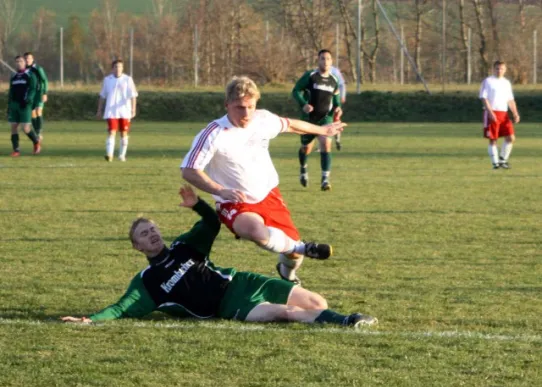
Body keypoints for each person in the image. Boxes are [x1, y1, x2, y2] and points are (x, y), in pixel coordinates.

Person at [61, 185, 377, 329]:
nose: (152, 235)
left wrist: (198, 204)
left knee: (317, 302)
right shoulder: (148, 283)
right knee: (288, 312)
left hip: (243, 281)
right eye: (144, 234)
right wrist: (89, 320)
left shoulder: (186, 246)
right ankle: (350, 321)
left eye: (153, 229)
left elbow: (213, 222)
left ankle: (312, 298)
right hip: (232, 306)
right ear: (136, 247)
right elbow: (119, 309)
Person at [180, 76, 345, 286]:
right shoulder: (213, 134)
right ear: (227, 104)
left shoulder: (262, 119)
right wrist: (220, 191)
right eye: (240, 107)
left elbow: (291, 125)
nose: (246, 113)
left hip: (269, 195)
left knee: (292, 255)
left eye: (250, 106)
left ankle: (289, 274)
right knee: (256, 232)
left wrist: (322, 130)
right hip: (234, 201)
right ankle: (304, 247)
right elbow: (189, 170)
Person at [292, 49, 343, 190]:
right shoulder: (310, 76)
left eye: (328, 59)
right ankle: (303, 169)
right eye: (322, 59)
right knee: (306, 148)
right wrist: (304, 104)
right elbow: (295, 91)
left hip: (326, 118)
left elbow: (336, 100)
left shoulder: (334, 80)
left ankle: (325, 179)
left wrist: (338, 108)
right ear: (318, 60)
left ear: (331, 62)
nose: (325, 61)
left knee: (326, 145)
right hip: (308, 120)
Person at [479, 60, 520, 169]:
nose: (499, 71)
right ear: (493, 69)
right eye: (497, 68)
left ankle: (502, 160)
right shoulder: (488, 81)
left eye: (501, 68)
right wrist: (490, 112)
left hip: (504, 114)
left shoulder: (506, 83)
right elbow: (484, 98)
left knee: (511, 137)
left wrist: (515, 113)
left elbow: (510, 100)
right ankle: (495, 164)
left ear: (505, 70)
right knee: (493, 139)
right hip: (492, 112)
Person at [96, 59, 138, 162]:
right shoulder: (107, 80)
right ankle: (109, 155)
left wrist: (133, 109)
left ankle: (122, 155)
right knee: (111, 132)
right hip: (111, 111)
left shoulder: (128, 79)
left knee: (124, 133)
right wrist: (99, 110)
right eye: (116, 67)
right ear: (112, 68)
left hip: (124, 111)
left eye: (120, 67)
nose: (118, 69)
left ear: (122, 68)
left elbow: (133, 96)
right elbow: (102, 96)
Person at [7, 55, 40, 157]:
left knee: (25, 128)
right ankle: (16, 150)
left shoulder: (30, 75)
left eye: (21, 61)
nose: (18, 63)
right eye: (17, 61)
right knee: (13, 127)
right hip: (14, 105)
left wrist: (29, 100)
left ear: (25, 63)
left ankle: (36, 142)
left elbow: (33, 89)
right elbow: (11, 91)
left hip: (25, 105)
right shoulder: (13, 76)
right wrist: (9, 105)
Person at [24, 52, 48, 142]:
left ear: (32, 59)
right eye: (26, 58)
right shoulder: (25, 70)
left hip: (39, 93)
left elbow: (44, 80)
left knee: (38, 111)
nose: (27, 60)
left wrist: (45, 93)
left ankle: (39, 133)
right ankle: (36, 132)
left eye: (29, 58)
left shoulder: (37, 69)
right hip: (31, 95)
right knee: (32, 114)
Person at [330, 65, 346, 151]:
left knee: (336, 120)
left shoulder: (334, 71)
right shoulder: (316, 71)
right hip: (322, 101)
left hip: (334, 100)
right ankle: (321, 145)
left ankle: (337, 140)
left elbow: (341, 84)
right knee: (322, 122)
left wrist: (342, 96)